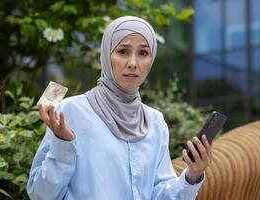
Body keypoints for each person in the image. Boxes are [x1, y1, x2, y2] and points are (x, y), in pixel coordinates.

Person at [27, 16, 213, 200]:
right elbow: (41, 195)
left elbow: (159, 194)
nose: (133, 63)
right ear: (107, 55)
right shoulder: (71, 111)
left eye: (143, 53)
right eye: (123, 51)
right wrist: (63, 144)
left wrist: (192, 176)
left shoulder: (155, 122)